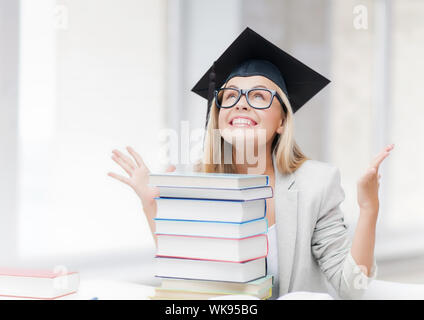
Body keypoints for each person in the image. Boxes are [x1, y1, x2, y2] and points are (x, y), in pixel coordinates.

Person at [107, 27, 394, 300]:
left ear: (282, 121)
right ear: (218, 116)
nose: (241, 104)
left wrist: (369, 209)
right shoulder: (200, 183)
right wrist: (150, 204)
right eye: (230, 96)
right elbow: (192, 275)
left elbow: (351, 287)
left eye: (258, 96)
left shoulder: (316, 184)